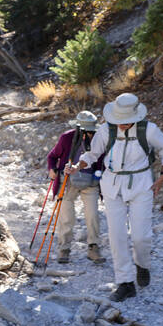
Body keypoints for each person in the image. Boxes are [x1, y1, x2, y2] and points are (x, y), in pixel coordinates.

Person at [70, 92, 163, 302]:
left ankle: (142, 265)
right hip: (112, 185)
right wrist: (76, 166)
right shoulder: (106, 130)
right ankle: (125, 283)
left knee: (141, 237)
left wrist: (162, 176)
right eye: (120, 121)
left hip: (142, 184)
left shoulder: (149, 130)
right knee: (117, 236)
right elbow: (93, 154)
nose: (123, 125)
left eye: (127, 121)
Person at [46, 110, 105, 264]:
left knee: (92, 215)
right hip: (68, 182)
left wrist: (99, 174)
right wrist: (52, 169)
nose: (90, 134)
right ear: (79, 129)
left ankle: (93, 248)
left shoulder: (98, 139)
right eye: (87, 131)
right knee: (66, 217)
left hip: (90, 181)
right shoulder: (66, 138)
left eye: (92, 131)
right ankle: (64, 249)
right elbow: (52, 156)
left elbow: (101, 161)